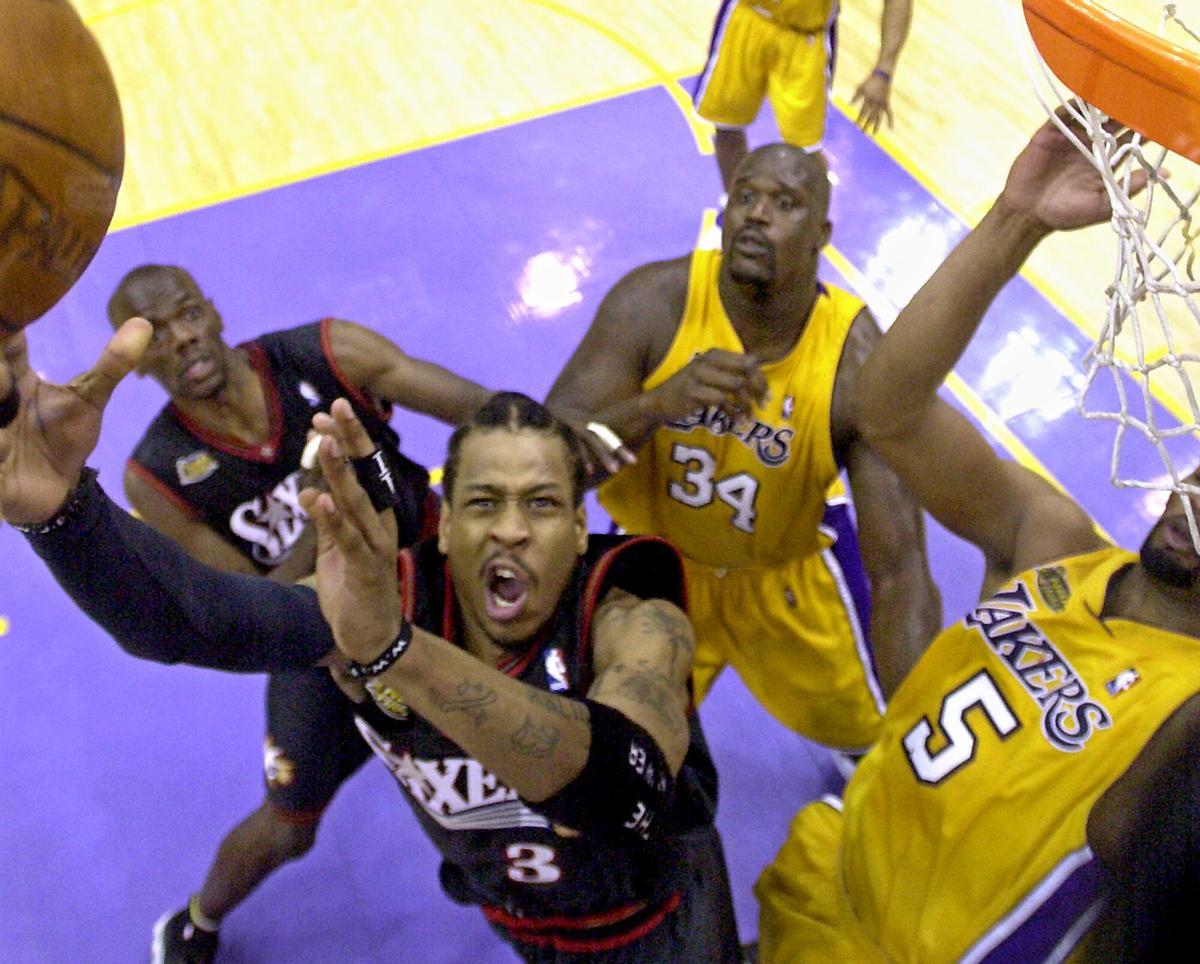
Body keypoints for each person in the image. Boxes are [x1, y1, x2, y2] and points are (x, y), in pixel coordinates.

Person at [0, 344, 742, 959]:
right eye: (484, 502)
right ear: (445, 525)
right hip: (520, 919)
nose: (512, 530)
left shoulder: (635, 619)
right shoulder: (388, 604)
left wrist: (395, 654)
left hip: (663, 926)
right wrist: (63, 516)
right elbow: (192, 620)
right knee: (287, 817)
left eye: (542, 504)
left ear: (581, 532)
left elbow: (623, 792)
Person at [753, 116, 1200, 961]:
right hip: (821, 883)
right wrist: (1016, 220)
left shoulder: (1188, 714)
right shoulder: (1055, 542)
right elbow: (890, 412)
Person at [104, 264, 492, 963]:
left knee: (505, 740)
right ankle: (196, 923)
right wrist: (324, 508)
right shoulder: (156, 473)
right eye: (156, 336)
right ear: (136, 366)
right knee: (289, 826)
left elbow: (485, 412)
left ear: (215, 311)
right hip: (322, 648)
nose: (183, 340)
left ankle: (504, 863)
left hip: (435, 589)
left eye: (189, 314)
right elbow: (253, 612)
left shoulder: (326, 352)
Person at [547, 142, 941, 758]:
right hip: (655, 574)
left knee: (877, 736)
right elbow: (548, 463)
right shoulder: (656, 302)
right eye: (745, 197)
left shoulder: (857, 359)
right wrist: (655, 406)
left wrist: (925, 737)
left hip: (782, 584)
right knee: (612, 751)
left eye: (784, 203)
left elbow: (901, 569)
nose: (756, 215)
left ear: (822, 234)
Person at [692, 0, 913, 191]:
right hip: (746, 16)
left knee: (806, 152)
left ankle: (810, 231)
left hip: (805, 38)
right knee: (726, 126)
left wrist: (883, 72)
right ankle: (734, 209)